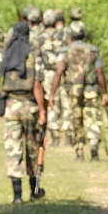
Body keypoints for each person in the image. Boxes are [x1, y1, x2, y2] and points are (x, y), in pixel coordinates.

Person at [0, 10, 48, 203]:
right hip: (30, 105)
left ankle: (17, 195)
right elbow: (37, 84)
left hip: (11, 106)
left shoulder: (5, 54)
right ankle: (34, 190)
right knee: (32, 147)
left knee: (13, 148)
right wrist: (43, 111)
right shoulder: (33, 53)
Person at [50, 21, 108, 161]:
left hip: (73, 91)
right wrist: (105, 92)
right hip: (91, 90)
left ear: (71, 35)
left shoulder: (66, 51)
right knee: (93, 118)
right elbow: (99, 72)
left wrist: (53, 93)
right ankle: (94, 148)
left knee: (76, 119)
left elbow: (59, 72)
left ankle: (79, 151)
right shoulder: (93, 50)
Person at [40, 10, 69, 146]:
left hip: (47, 73)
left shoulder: (40, 37)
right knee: (65, 101)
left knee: (51, 102)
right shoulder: (63, 35)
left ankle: (54, 135)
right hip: (62, 72)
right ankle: (68, 134)